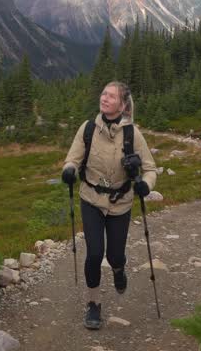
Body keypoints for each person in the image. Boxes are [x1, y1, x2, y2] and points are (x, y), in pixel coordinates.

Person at [61, 80, 158, 330]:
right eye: (103, 93)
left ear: (123, 106)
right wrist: (69, 171)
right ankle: (93, 303)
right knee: (94, 253)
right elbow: (72, 159)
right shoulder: (88, 129)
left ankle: (118, 268)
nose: (104, 98)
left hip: (120, 202)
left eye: (111, 96)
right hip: (91, 198)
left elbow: (149, 168)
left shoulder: (132, 134)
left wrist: (145, 185)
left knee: (114, 254)